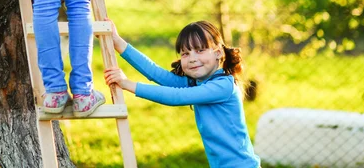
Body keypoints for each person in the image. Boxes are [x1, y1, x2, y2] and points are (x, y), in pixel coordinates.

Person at [104, 20, 261, 168]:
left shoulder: (223, 86)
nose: (192, 59)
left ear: (218, 53)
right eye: (185, 53)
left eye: (200, 50)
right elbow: (156, 73)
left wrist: (128, 84)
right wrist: (118, 43)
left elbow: (176, 97)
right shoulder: (199, 83)